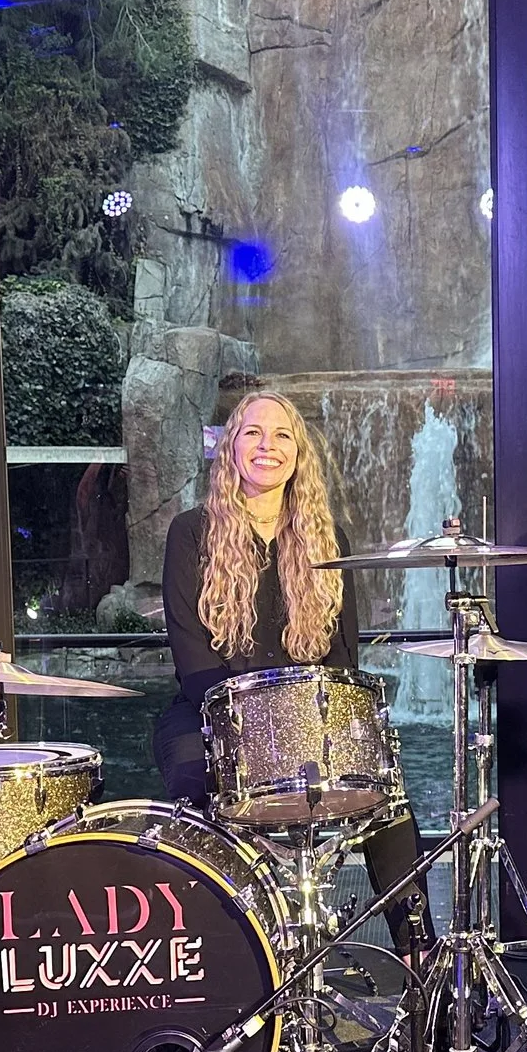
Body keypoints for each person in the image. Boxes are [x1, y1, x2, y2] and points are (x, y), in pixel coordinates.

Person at [154, 390, 435, 957]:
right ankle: (231, 960)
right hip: (215, 711)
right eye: (253, 433)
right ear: (231, 448)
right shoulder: (191, 533)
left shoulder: (328, 542)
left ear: (299, 453)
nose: (268, 446)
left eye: (282, 435)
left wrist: (308, 724)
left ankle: (421, 968)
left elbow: (341, 658)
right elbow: (193, 659)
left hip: (305, 713)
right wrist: (253, 726)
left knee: (387, 791)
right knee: (191, 774)